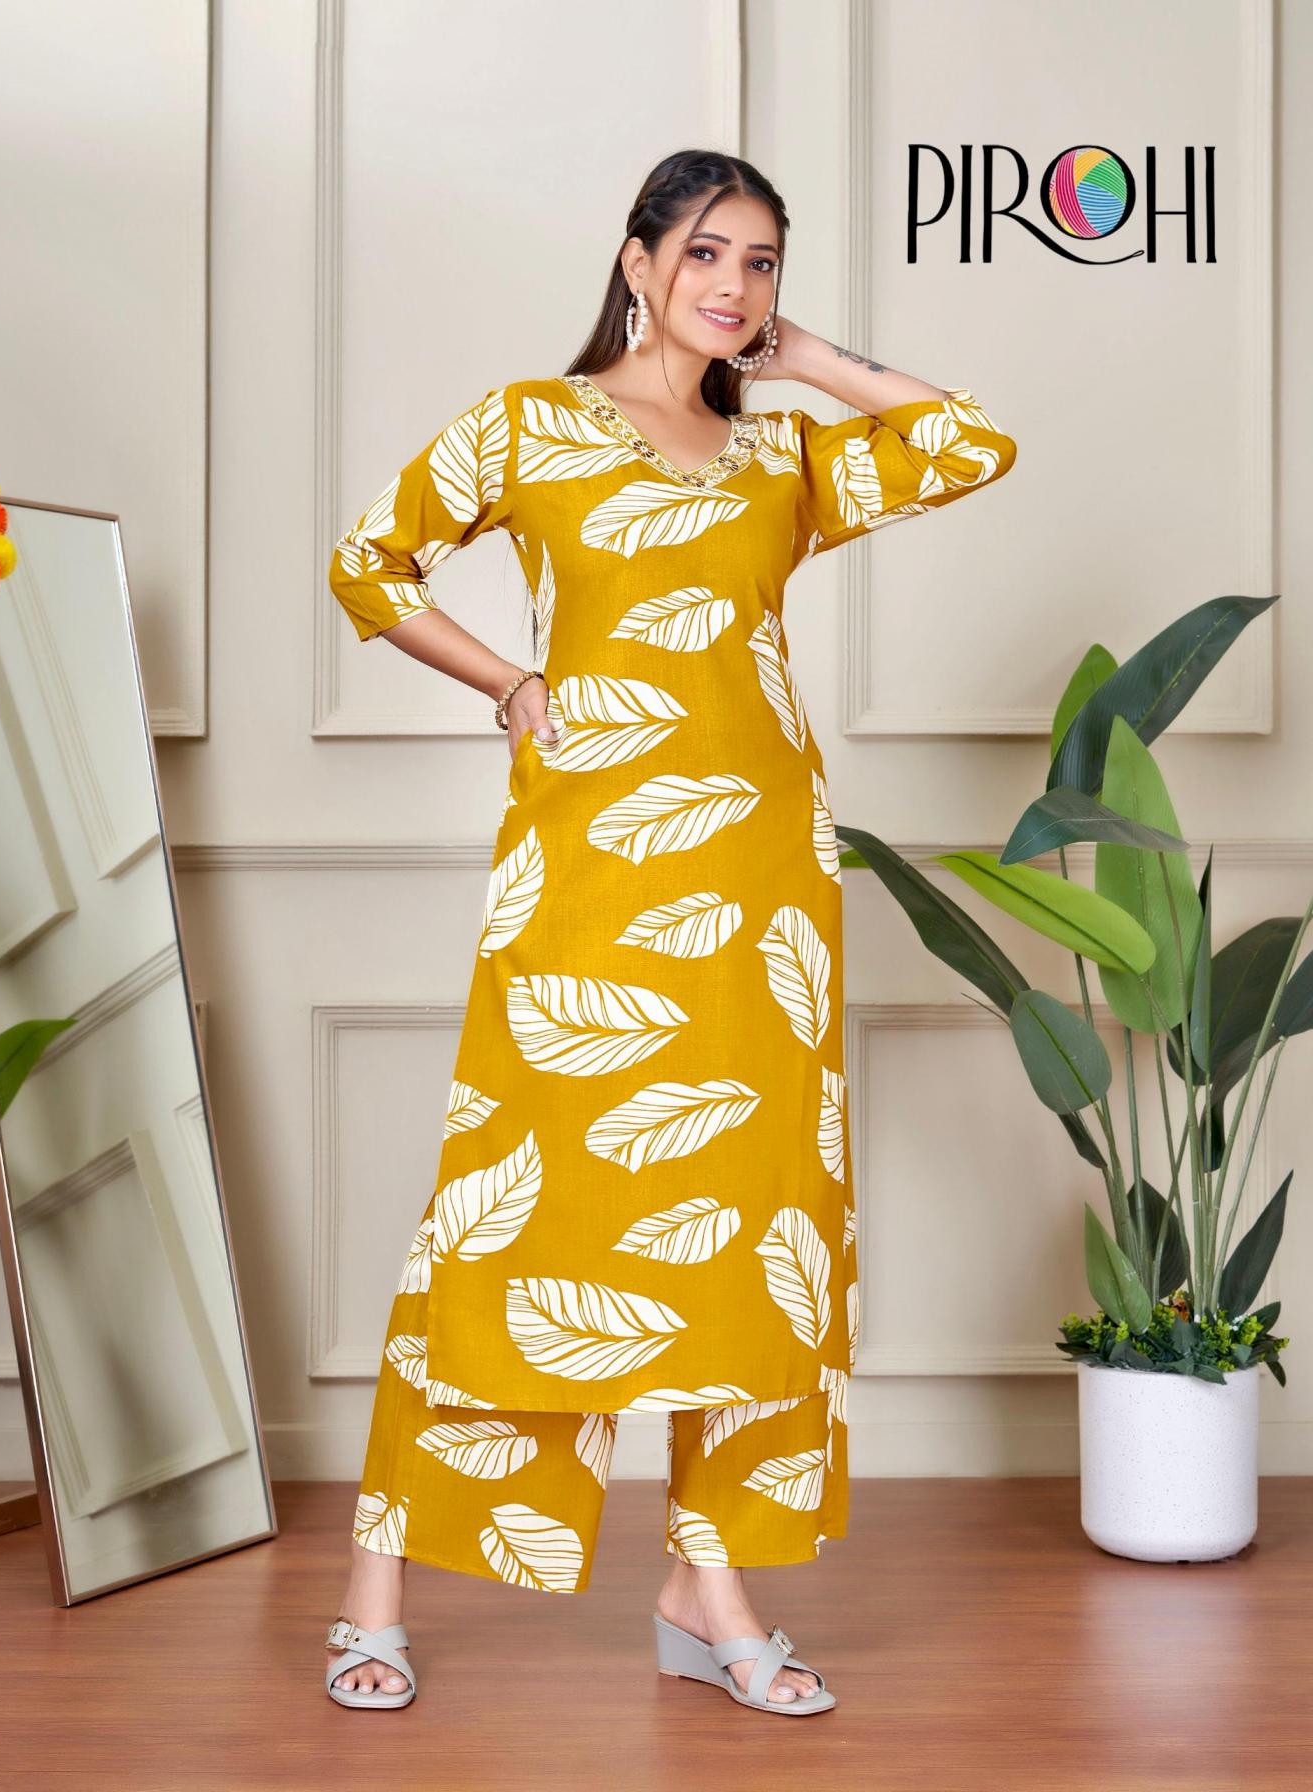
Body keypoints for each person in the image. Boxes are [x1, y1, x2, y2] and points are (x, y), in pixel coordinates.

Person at [322, 147, 1017, 1716]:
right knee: (510, 1222)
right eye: (705, 252)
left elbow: (974, 442)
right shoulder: (529, 422)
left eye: (760, 261)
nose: (732, 283)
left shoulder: (780, 460)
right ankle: (376, 1586)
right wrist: (509, 683)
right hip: (589, 875)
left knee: (754, 1235)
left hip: (767, 891)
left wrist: (807, 357)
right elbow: (367, 564)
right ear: (635, 261)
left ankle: (709, 1594)